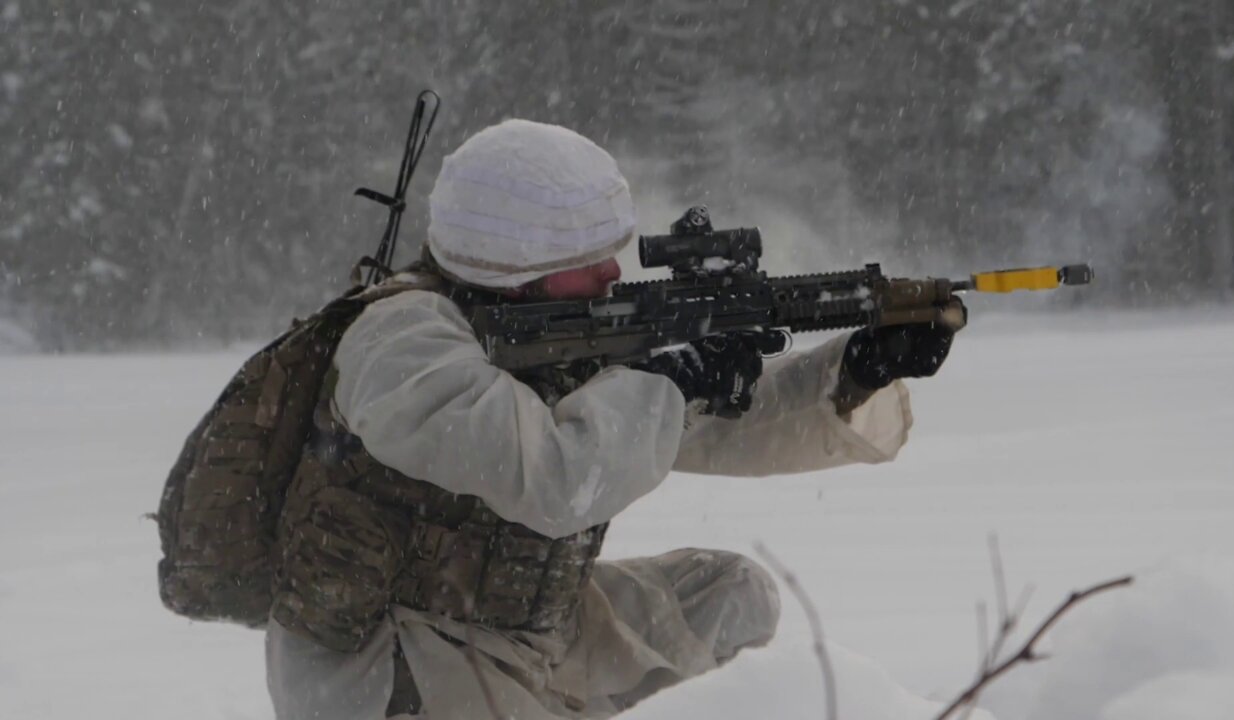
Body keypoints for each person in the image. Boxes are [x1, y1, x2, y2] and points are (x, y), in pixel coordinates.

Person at [265, 119, 961, 719]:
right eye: (585, 258)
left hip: (525, 626)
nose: (610, 274)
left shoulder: (551, 332)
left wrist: (856, 371)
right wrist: (669, 375)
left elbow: (699, 427)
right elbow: (556, 476)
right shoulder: (400, 344)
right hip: (398, 668)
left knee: (730, 596)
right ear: (520, 263)